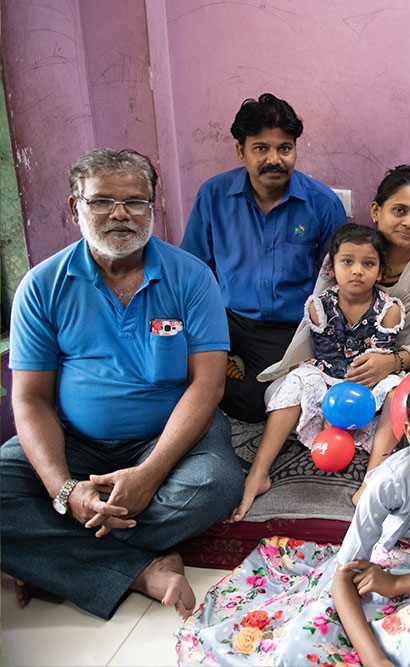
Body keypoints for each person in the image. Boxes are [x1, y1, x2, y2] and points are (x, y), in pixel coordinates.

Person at [1, 149, 243, 620]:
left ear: (154, 209)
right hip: (75, 441)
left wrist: (149, 475)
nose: (119, 213)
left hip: (171, 438)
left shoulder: (191, 277)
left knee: (216, 485)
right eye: (101, 201)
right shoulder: (41, 285)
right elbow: (30, 400)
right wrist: (64, 488)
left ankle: (48, 556)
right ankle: (143, 569)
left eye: (135, 201)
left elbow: (208, 387)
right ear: (75, 208)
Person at [176, 369, 410, 666]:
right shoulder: (389, 480)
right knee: (304, 644)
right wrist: (374, 658)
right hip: (387, 567)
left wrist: (399, 585)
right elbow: (344, 577)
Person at [260, 165, 410, 505]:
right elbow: (319, 319)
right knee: (284, 392)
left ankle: (373, 474)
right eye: (400, 210)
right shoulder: (346, 253)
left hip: (396, 368)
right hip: (335, 365)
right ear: (376, 211)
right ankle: (314, 438)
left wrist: (391, 362)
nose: (409, 222)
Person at [181, 93, 347, 422]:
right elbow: (194, 267)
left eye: (284, 148)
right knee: (164, 357)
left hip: (283, 327)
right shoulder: (213, 195)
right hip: (223, 316)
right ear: (240, 150)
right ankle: (216, 367)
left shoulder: (323, 205)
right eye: (261, 148)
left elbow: (332, 282)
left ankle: (218, 376)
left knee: (258, 405)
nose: (274, 159)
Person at [228, 224, 404, 522]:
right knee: (299, 378)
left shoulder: (389, 309)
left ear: (381, 271)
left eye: (368, 263)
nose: (357, 271)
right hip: (330, 374)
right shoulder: (319, 306)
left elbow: (379, 357)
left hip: (368, 380)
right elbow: (326, 355)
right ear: (333, 268)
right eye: (347, 261)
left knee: (397, 391)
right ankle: (259, 473)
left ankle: (372, 477)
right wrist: (330, 405)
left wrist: (354, 391)